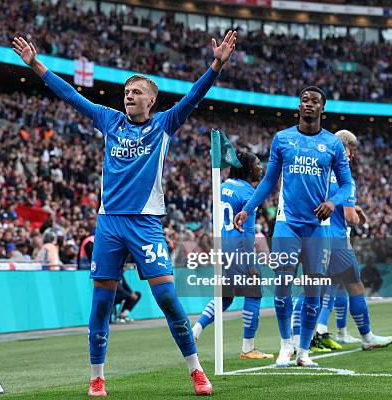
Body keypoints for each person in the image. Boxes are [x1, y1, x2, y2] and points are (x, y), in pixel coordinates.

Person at [12, 29, 237, 396]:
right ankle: (97, 376)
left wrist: (215, 66)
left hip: (146, 224)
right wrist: (36, 65)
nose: (129, 96)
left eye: (136, 93)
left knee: (167, 298)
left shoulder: (165, 124)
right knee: (102, 302)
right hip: (110, 224)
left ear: (151, 101)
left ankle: (195, 370)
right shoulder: (109, 120)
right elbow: (71, 95)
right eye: (127, 92)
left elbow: (193, 96)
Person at [234, 86, 353, 367]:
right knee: (283, 286)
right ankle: (285, 344)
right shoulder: (283, 139)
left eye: (315, 101)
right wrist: (248, 207)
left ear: (322, 109)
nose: (309, 104)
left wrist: (334, 202)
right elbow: (268, 181)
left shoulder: (333, 145)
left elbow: (347, 184)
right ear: (299, 107)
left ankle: (304, 351)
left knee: (314, 293)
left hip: (318, 228)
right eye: (304, 100)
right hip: (287, 224)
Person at [308, 130, 392, 350]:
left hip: (314, 238)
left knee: (319, 289)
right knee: (355, 287)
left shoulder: (316, 170)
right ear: (341, 147)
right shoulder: (345, 176)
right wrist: (358, 217)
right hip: (337, 240)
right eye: (350, 150)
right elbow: (348, 217)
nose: (351, 156)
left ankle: (307, 338)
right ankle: (367, 337)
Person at [192, 151, 273, 360]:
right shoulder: (248, 193)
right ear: (246, 168)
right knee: (254, 293)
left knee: (225, 297)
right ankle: (248, 348)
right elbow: (245, 230)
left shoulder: (222, 186)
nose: (260, 168)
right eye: (256, 164)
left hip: (222, 248)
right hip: (240, 250)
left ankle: (196, 330)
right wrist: (251, 262)